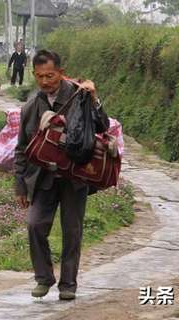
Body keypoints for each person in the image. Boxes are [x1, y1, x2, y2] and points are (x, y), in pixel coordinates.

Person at [13, 49, 109, 301]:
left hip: (74, 177)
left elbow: (102, 126)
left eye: (50, 76)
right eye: (40, 76)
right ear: (34, 75)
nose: (45, 81)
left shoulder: (80, 95)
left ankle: (68, 284)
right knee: (34, 225)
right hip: (43, 178)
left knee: (72, 231)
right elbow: (22, 148)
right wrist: (20, 185)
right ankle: (43, 278)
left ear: (61, 73)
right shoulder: (31, 106)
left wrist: (94, 98)